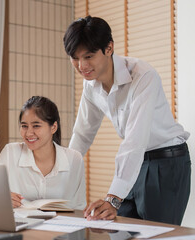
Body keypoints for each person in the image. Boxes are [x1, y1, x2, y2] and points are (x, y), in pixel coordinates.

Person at [63, 15, 191, 225]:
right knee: (119, 231)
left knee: (156, 235)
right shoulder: (91, 85)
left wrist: (113, 198)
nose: (81, 66)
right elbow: (82, 135)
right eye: (75, 58)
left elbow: (135, 139)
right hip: (137, 164)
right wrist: (61, 176)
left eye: (88, 56)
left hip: (166, 163)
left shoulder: (143, 76)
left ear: (109, 48)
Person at [0, 96, 86, 210]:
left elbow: (79, 206)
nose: (29, 133)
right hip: (21, 225)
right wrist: (2, 199)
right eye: (24, 126)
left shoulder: (74, 159)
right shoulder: (10, 153)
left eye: (36, 126)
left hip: (60, 226)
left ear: (53, 127)